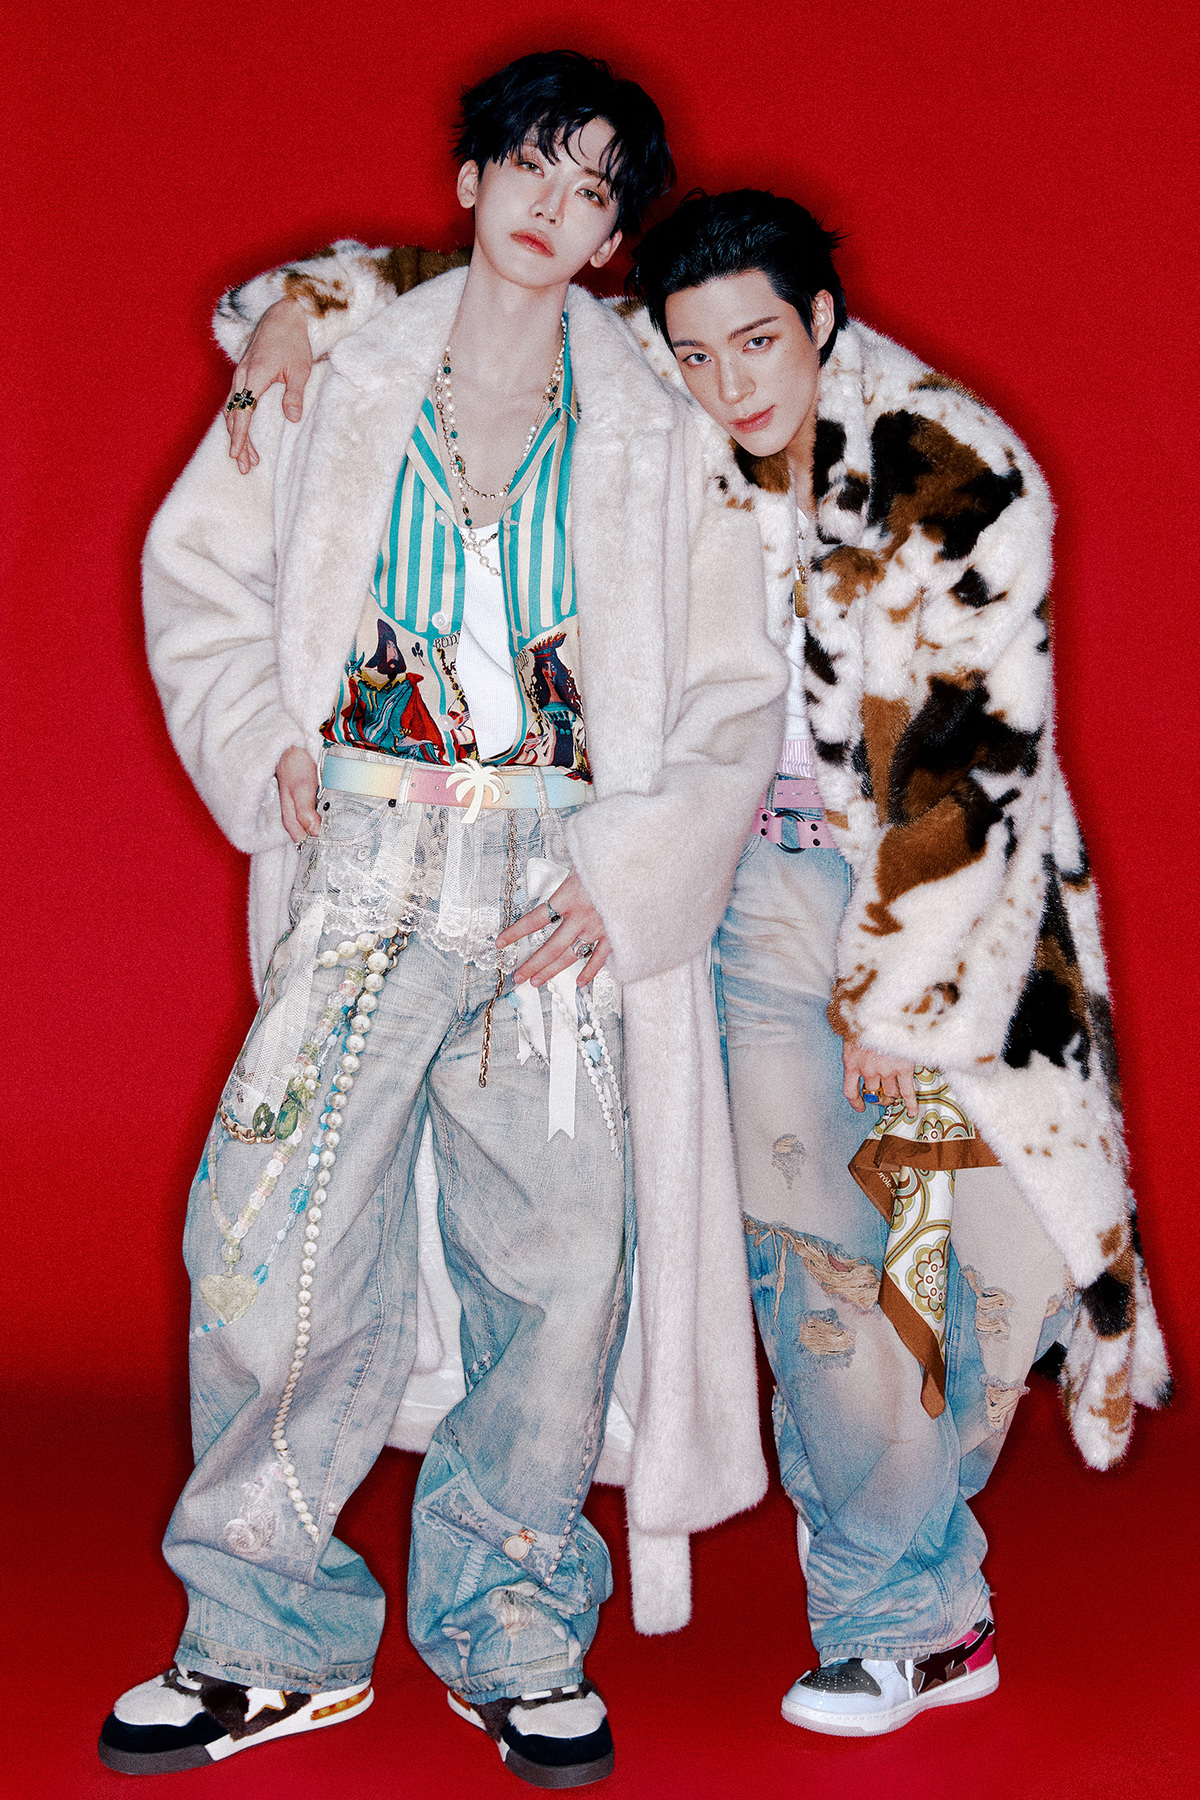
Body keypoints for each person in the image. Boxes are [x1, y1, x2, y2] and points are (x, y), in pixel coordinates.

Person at [221, 185, 1168, 1741]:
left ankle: (916, 1562)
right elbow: (449, 278)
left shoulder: (953, 467)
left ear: (823, 322)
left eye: (762, 344)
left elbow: (968, 766)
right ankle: (905, 1612)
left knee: (966, 1277)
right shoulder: (648, 396)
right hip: (746, 899)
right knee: (815, 1270)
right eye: (700, 352)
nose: (733, 384)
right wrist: (288, 320)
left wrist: (897, 994)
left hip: (945, 919)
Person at [99, 57, 785, 1784]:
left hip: (553, 877)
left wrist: (632, 875)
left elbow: (731, 685)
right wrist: (260, 744)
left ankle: (513, 1627)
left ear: (616, 238)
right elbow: (199, 576)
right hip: (365, 854)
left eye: (596, 190)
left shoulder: (661, 423)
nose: (557, 207)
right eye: (533, 165)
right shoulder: (332, 367)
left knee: (555, 1272)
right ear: (474, 177)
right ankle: (261, 1633)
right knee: (270, 1240)